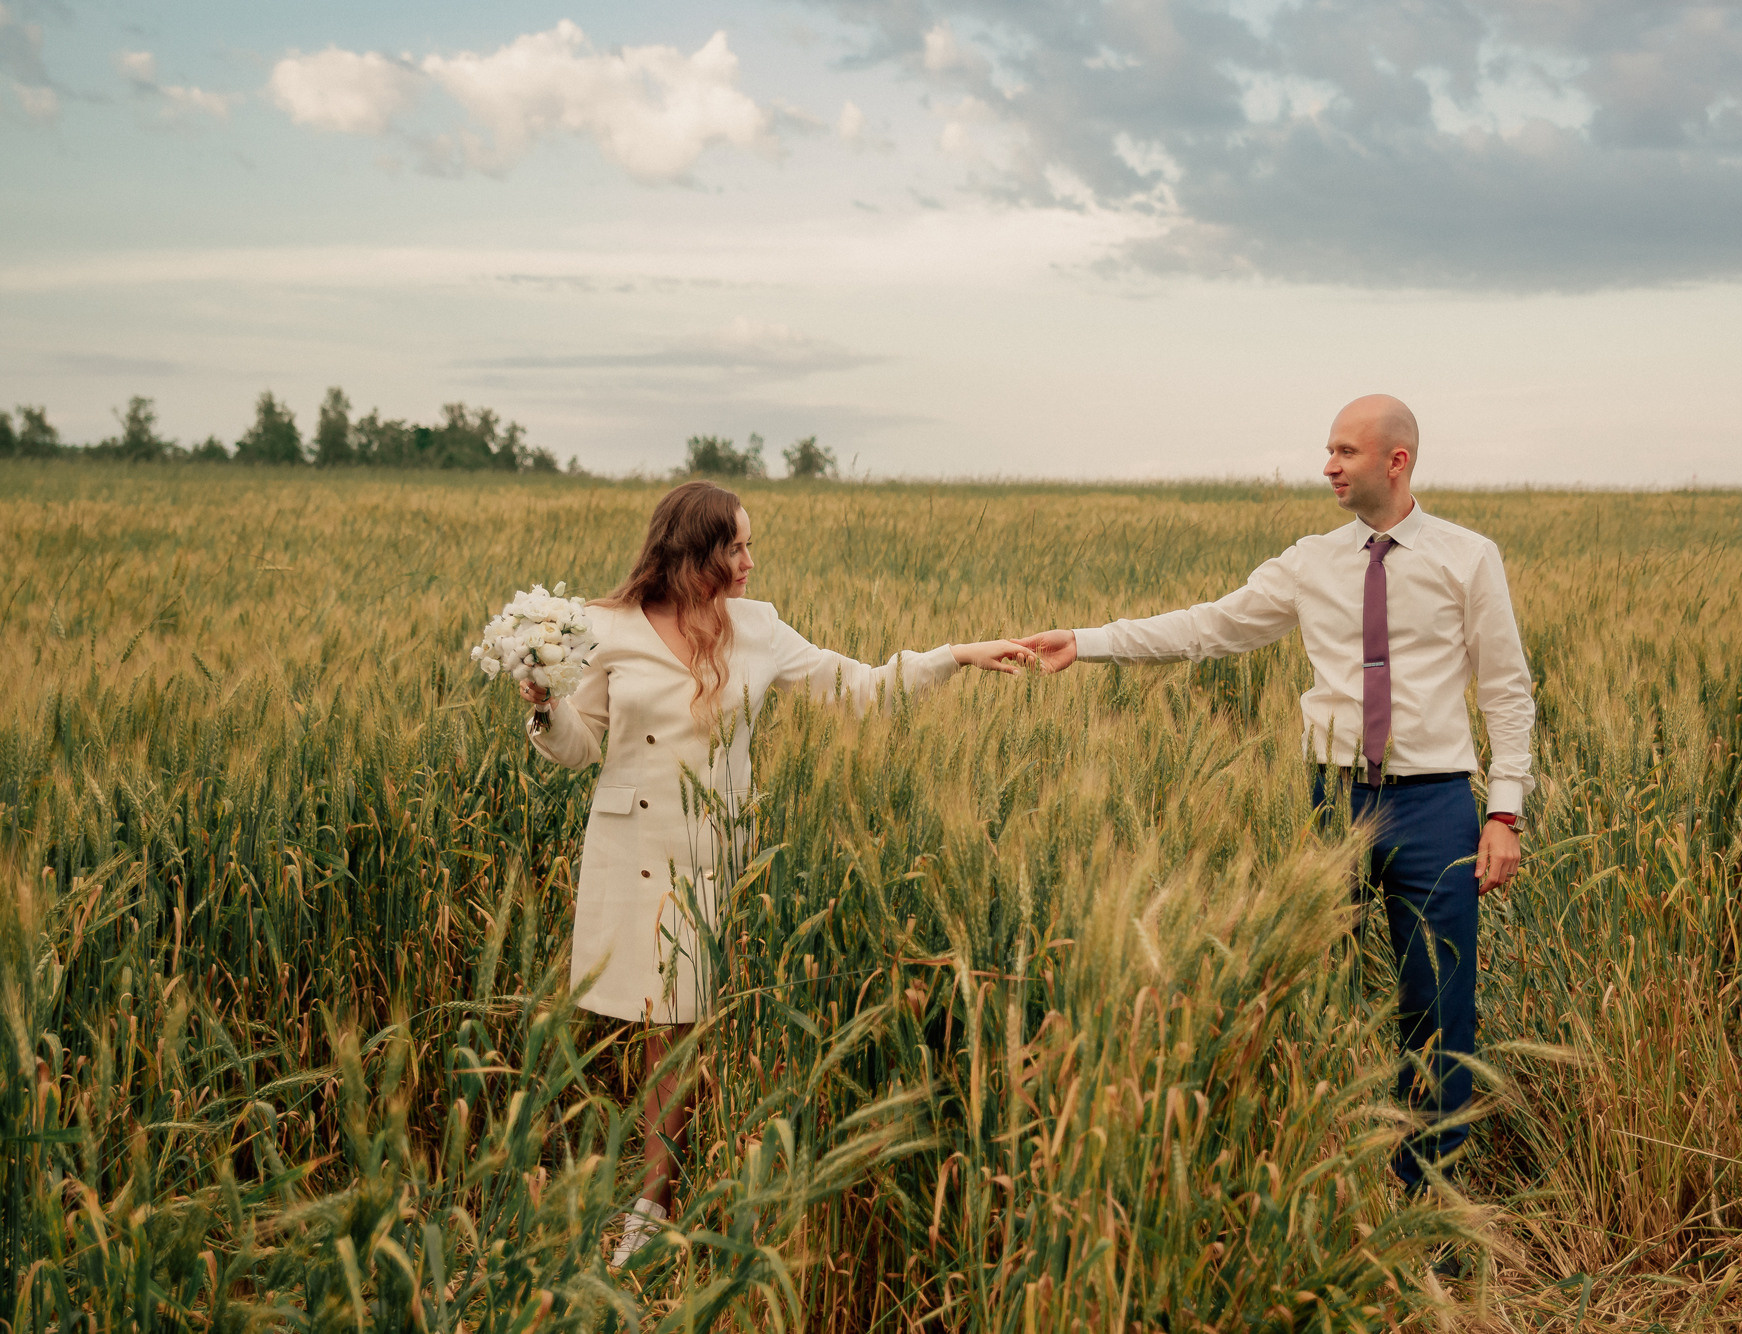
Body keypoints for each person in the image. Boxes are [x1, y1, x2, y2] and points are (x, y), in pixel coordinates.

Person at [1014, 394, 1534, 1201]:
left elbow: (1506, 689)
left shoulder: (1468, 558)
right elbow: (1209, 626)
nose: (1328, 465)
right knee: (1303, 992)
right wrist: (1088, 643)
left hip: (1437, 807)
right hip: (1332, 806)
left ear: (1397, 462)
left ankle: (1425, 1207)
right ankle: (1306, 1182)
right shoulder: (1310, 560)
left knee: (1438, 1010)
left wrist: (1503, 812)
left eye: (1346, 451)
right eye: (1328, 449)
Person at [522, 479, 1032, 1267]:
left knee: (689, 1025)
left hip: (719, 848)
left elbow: (858, 686)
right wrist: (545, 707)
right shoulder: (606, 628)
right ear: (694, 552)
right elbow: (580, 746)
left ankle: (667, 1191)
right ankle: (654, 1200)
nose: (751, 561)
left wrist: (957, 655)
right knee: (666, 1028)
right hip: (635, 849)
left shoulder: (756, 629)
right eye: (738, 547)